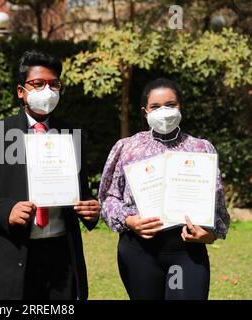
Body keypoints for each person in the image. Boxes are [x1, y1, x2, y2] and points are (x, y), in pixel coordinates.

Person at [0, 50, 100, 300]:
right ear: (20, 91)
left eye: (54, 84)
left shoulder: (73, 135)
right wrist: (7, 211)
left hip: (62, 256)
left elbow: (82, 192)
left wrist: (91, 209)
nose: (47, 90)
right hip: (12, 253)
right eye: (38, 84)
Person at [98, 78, 230, 300]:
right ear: (145, 111)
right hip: (139, 251)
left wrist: (209, 234)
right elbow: (108, 198)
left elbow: (216, 204)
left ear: (181, 107)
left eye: (171, 105)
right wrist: (129, 220)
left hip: (187, 251)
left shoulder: (201, 148)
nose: (164, 111)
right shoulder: (127, 148)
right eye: (156, 107)